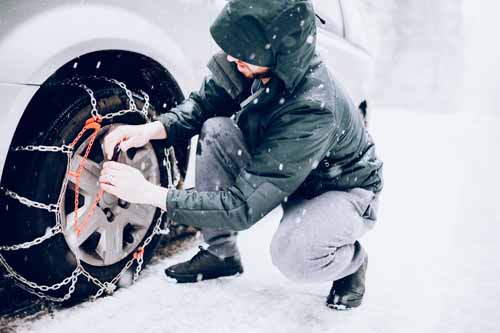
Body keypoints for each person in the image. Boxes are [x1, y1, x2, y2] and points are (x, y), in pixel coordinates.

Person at [100, 0, 383, 310]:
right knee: (216, 129)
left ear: (278, 51)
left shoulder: (312, 107)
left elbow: (241, 206)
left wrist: (149, 193)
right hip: (288, 172)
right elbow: (204, 105)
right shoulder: (254, 62)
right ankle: (220, 253)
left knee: (293, 255)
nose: (233, 56)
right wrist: (152, 129)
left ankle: (352, 264)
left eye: (244, 52)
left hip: (340, 189)